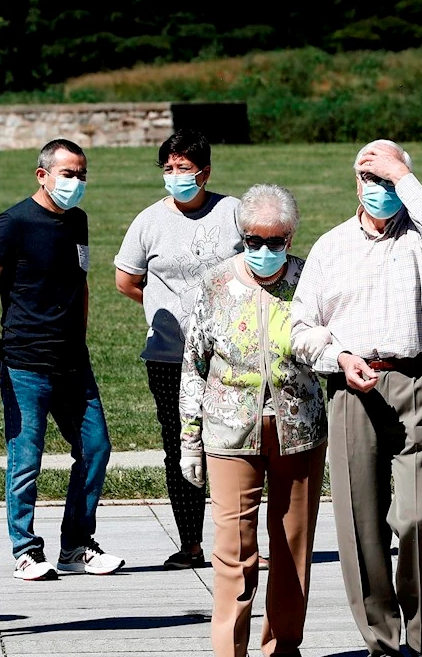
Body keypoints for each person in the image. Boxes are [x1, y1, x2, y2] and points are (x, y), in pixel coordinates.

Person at [291, 139, 422, 657]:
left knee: (415, 518)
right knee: (360, 522)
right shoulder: (331, 246)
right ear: (354, 184)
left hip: (416, 381)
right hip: (351, 389)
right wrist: (338, 357)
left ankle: (421, 635)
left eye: (388, 180)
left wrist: (401, 174)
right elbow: (300, 326)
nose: (379, 189)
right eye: (370, 179)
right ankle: (382, 643)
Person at [0, 138, 124, 580]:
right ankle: (25, 551)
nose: (76, 182)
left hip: (73, 362)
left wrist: (80, 335)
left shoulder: (79, 222)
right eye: (68, 174)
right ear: (43, 175)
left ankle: (76, 545)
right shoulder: (14, 222)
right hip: (24, 363)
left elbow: (81, 282)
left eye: (82, 174)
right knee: (25, 459)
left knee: (95, 448)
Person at [179, 184, 328, 657]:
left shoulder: (310, 279)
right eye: (254, 241)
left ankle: (284, 646)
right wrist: (189, 437)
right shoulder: (215, 283)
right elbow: (195, 363)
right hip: (229, 430)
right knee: (233, 551)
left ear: (291, 236)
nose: (265, 251)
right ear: (241, 236)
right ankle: (230, 650)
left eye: (277, 241)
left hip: (298, 429)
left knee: (291, 545)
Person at [114, 129, 243, 569]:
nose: (175, 176)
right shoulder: (148, 221)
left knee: (236, 445)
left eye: (184, 168)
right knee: (180, 445)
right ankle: (190, 544)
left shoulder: (233, 213)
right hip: (169, 355)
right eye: (168, 169)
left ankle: (241, 542)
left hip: (230, 355)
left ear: (204, 172)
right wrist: (163, 308)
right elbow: (126, 280)